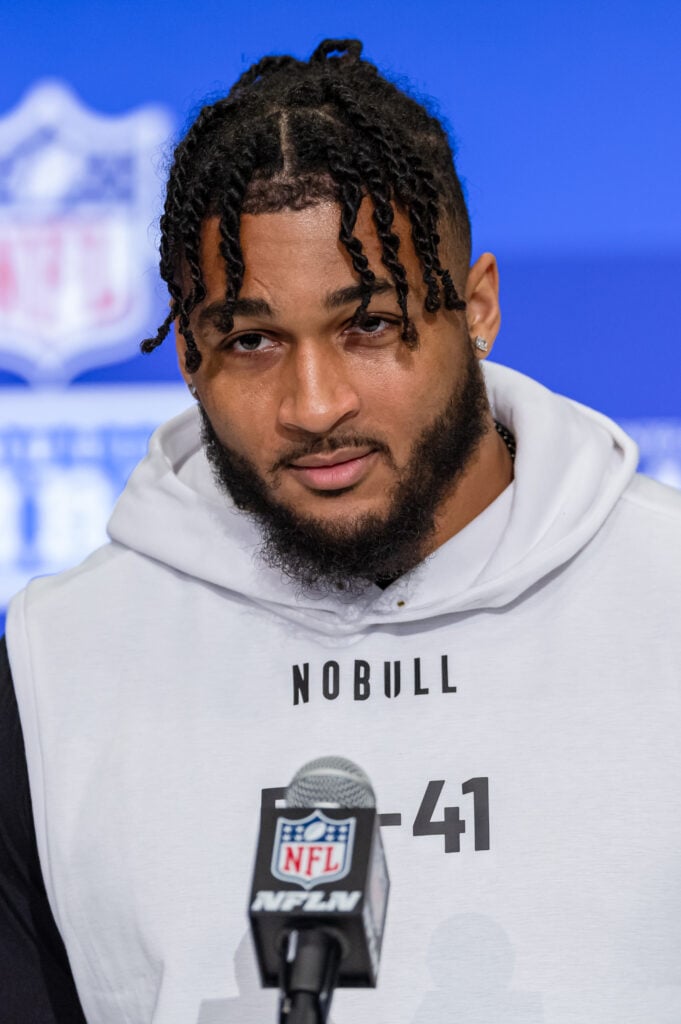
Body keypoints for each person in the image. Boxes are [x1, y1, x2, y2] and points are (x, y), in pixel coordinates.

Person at [2, 37, 681, 1024]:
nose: (315, 404)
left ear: (478, 307)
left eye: (369, 324)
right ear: (190, 354)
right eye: (253, 339)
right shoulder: (53, 672)